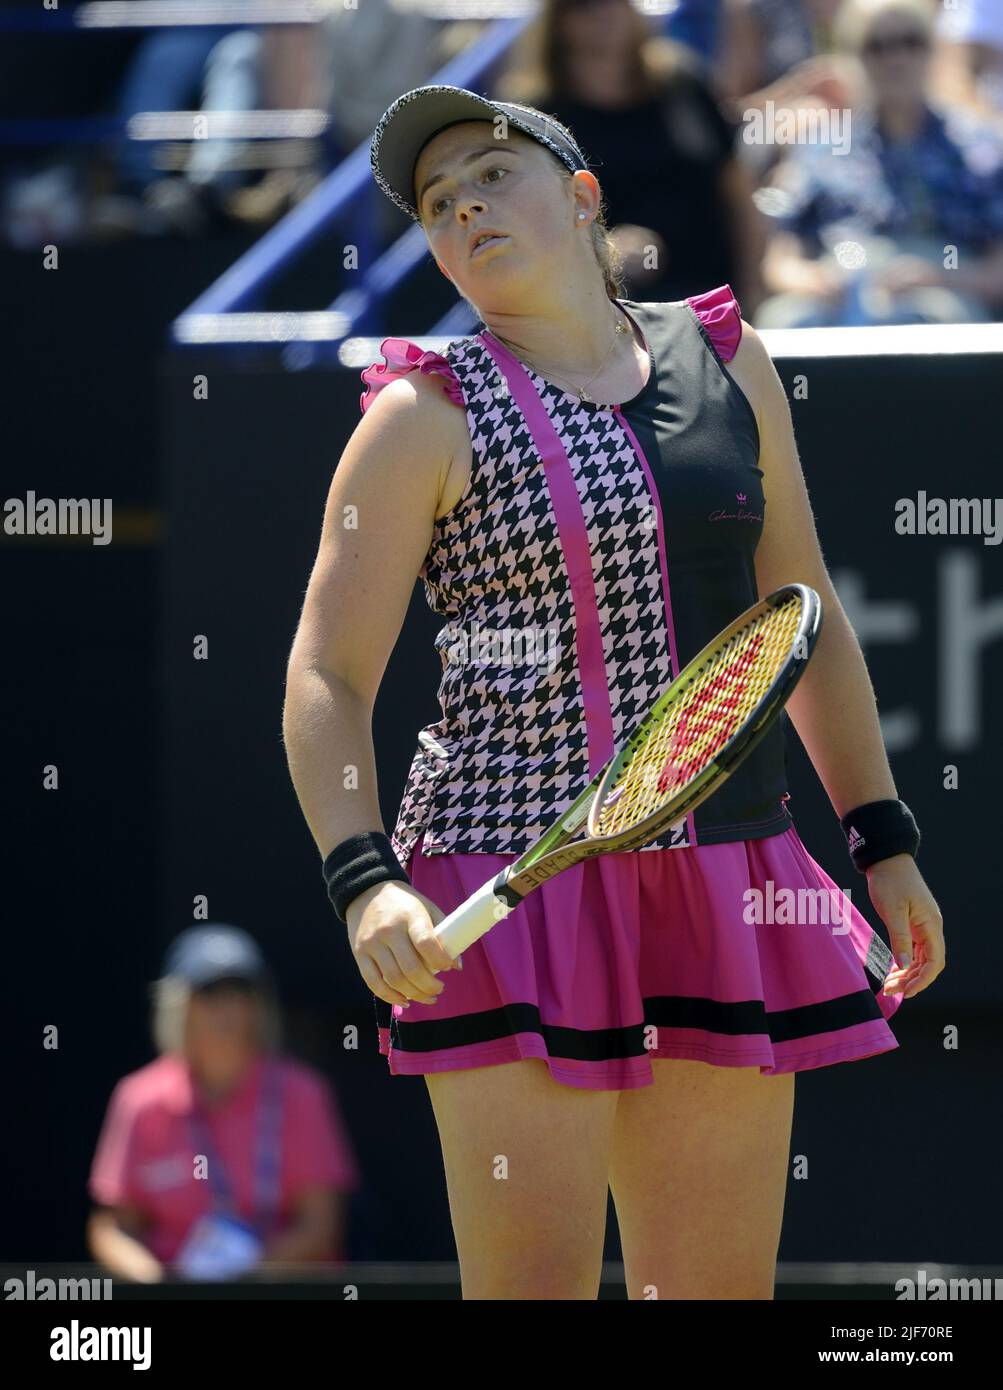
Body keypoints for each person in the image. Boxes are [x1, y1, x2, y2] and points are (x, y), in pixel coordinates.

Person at [282, 83, 945, 1299]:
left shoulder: (731, 365)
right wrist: (363, 879)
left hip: (730, 874)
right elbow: (326, 671)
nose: (464, 207)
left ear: (582, 199)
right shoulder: (417, 414)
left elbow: (800, 611)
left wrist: (881, 837)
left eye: (492, 174)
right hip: (500, 884)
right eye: (438, 202)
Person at [87, 925, 359, 1282]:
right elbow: (113, 1227)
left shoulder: (303, 1093)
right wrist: (155, 1284)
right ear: (178, 1005)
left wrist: (239, 1280)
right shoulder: (139, 1099)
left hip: (276, 1287)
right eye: (209, 991)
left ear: (259, 1004)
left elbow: (322, 1225)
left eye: (240, 990)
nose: (226, 1007)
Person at [495, 0, 765, 308]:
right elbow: (527, 222)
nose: (603, 14)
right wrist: (603, 250)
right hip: (603, 316)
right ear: (557, 21)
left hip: (713, 302)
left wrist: (753, 288)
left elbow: (737, 189)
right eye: (584, 8)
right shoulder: (536, 115)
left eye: (616, 3)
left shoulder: (681, 86)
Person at [757, 0, 1003, 327]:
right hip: (842, 288)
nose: (896, 59)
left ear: (932, 50)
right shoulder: (821, 146)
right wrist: (814, 281)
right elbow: (781, 261)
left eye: (910, 42)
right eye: (877, 46)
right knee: (785, 324)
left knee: (930, 323)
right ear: (853, 56)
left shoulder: (980, 146)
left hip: (945, 290)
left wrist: (944, 278)